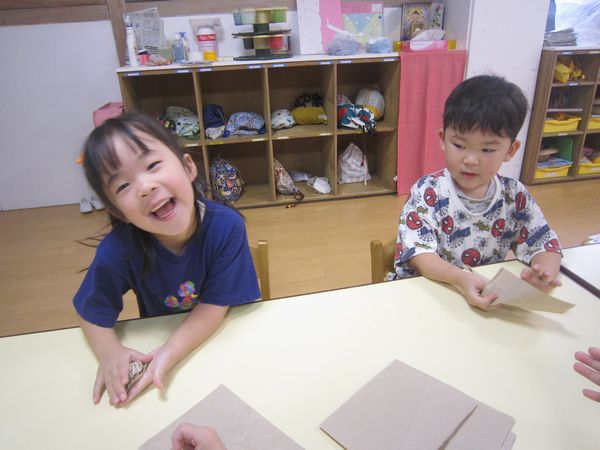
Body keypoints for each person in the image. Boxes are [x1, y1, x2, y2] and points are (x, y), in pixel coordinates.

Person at [73, 111, 260, 407]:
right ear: (118, 212)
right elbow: (91, 311)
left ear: (188, 167)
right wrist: (109, 352)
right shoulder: (118, 250)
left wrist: (169, 352)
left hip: (226, 344)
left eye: (152, 165)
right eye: (123, 186)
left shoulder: (226, 227)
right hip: (168, 352)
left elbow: (214, 306)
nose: (145, 187)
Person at [391, 75, 562, 311]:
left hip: (481, 302)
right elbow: (418, 254)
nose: (470, 160)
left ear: (510, 150)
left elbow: (545, 244)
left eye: (487, 149)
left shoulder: (514, 196)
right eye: (459, 145)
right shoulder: (428, 191)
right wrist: (461, 279)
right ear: (443, 139)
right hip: (430, 298)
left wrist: (543, 276)